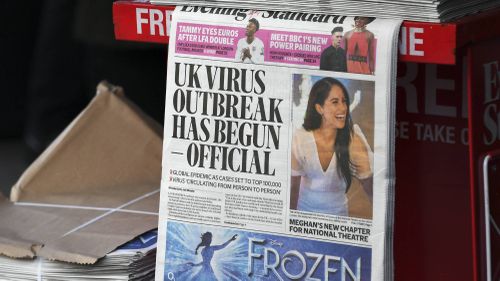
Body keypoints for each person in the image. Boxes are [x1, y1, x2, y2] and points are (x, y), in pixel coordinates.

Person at [290, 77, 373, 216]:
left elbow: (371, 190)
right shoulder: (300, 138)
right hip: (303, 215)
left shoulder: (353, 140)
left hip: (339, 219)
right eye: (335, 102)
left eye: (344, 101)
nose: (343, 108)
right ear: (319, 108)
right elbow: (293, 189)